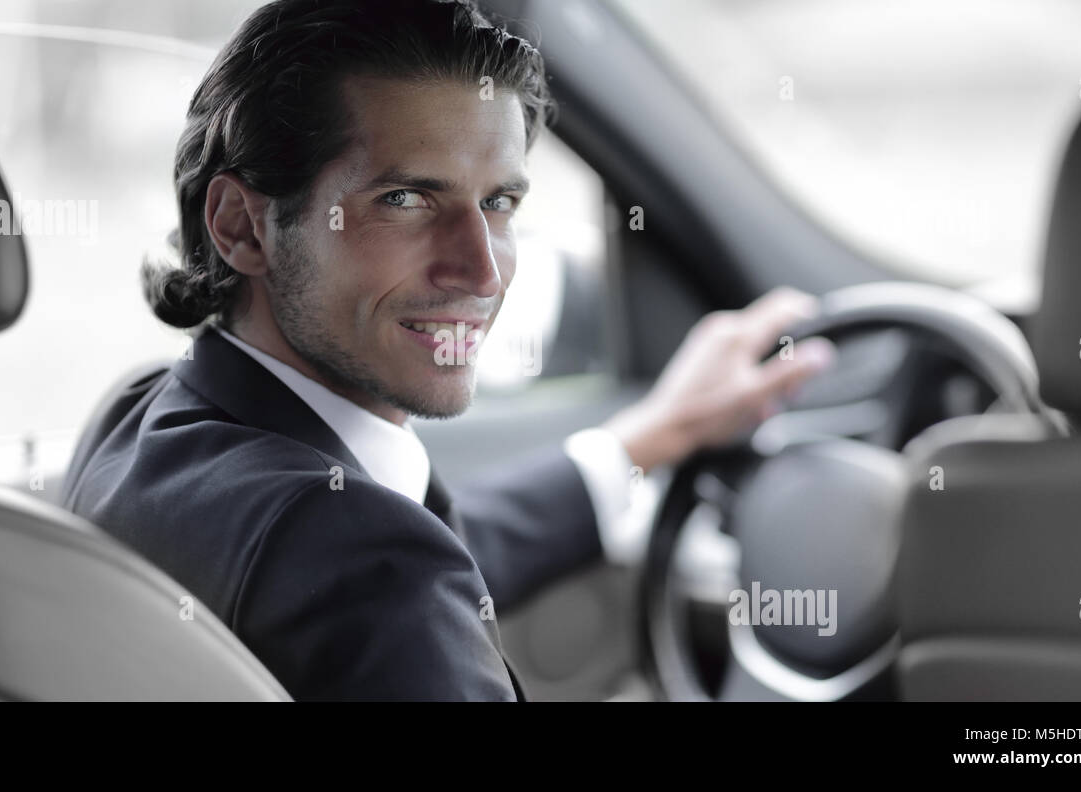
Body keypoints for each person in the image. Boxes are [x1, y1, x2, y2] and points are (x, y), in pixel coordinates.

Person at [61, 0, 835, 700]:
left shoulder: (143, 418)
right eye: (405, 200)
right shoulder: (370, 565)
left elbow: (416, 549)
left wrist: (652, 436)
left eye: (498, 203)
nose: (483, 268)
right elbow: (384, 565)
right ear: (241, 226)